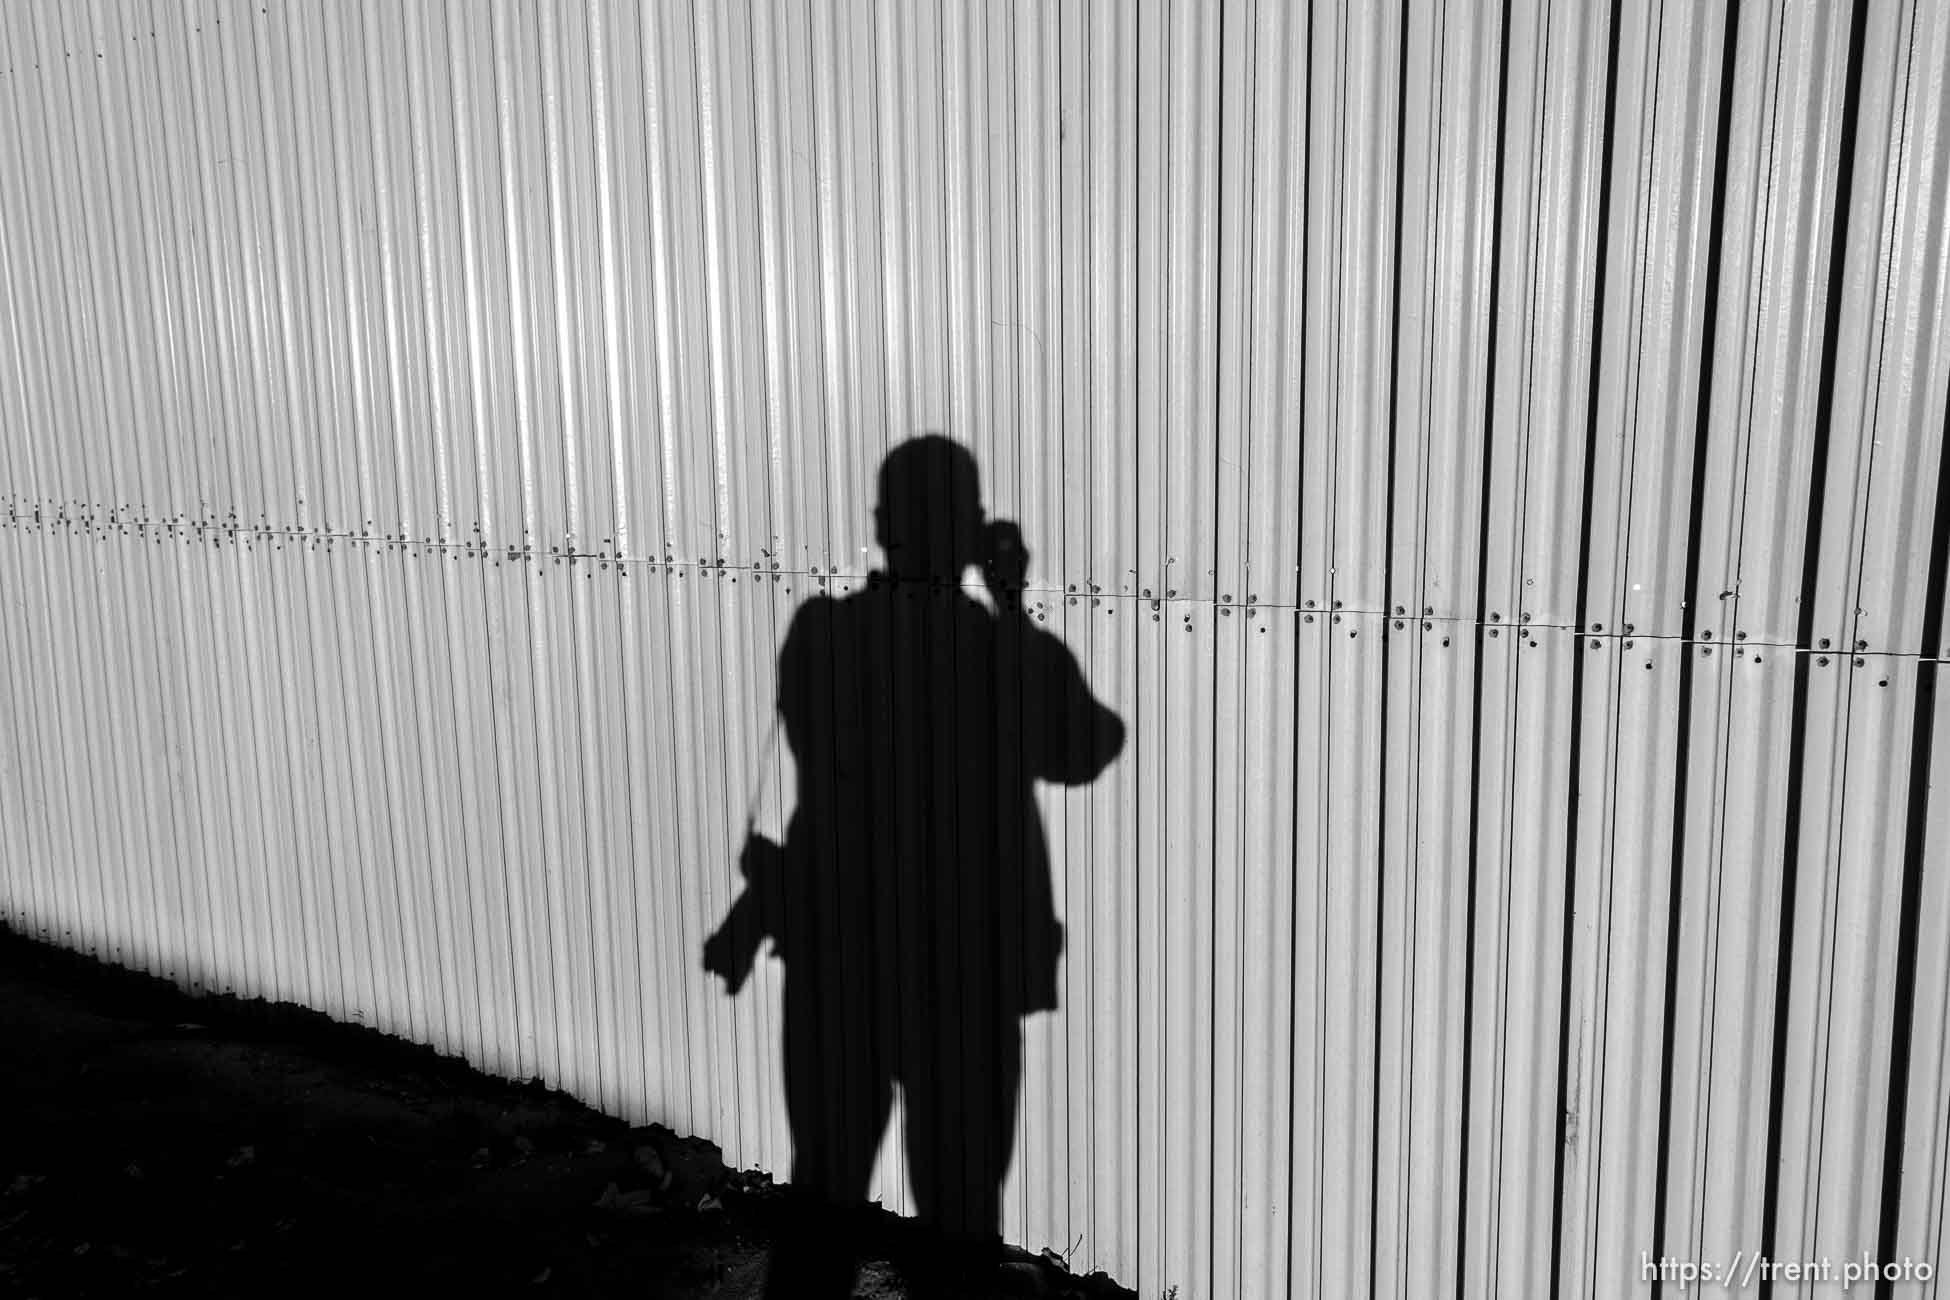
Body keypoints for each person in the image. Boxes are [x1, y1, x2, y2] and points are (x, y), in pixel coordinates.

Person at [704, 435, 1126, 1296]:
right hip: (960, 976)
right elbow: (1088, 743)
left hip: (840, 964)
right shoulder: (988, 646)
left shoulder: (824, 634)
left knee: (825, 1200)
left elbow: (822, 774)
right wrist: (1008, 603)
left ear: (882, 526)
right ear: (965, 533)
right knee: (956, 1216)